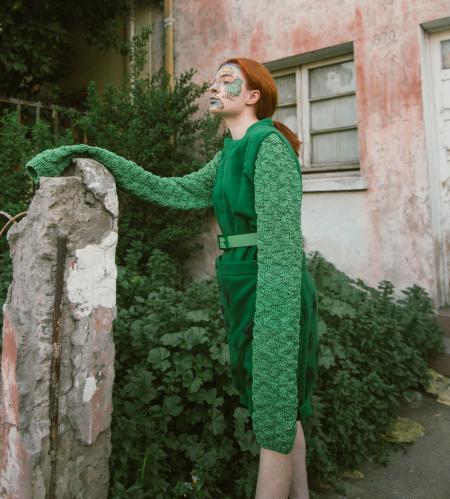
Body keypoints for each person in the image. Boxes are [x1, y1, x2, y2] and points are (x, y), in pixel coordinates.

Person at [26, 57, 319, 499]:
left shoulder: (268, 145)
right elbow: (175, 189)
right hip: (241, 280)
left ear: (253, 96)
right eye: (214, 79)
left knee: (274, 407)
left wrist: (277, 324)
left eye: (227, 80)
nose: (214, 86)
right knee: (280, 411)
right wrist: (99, 158)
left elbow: (280, 246)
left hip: (272, 283)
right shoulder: (228, 153)